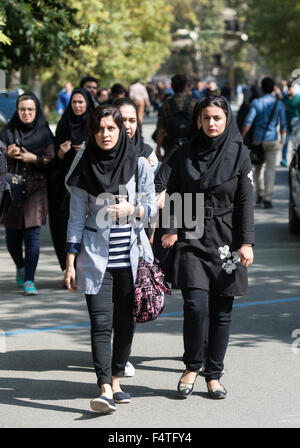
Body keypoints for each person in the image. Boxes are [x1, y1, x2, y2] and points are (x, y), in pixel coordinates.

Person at [64, 105, 157, 413]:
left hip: (131, 258)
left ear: (121, 131)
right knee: (101, 323)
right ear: (92, 131)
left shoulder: (139, 163)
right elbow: (76, 217)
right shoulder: (84, 162)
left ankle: (117, 380)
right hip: (95, 257)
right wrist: (70, 261)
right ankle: (104, 388)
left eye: (111, 128)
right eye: (99, 129)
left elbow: (152, 207)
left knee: (125, 323)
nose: (105, 134)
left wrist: (133, 210)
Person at [161, 95, 254, 400]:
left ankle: (213, 375)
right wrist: (173, 230)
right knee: (195, 306)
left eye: (217, 118)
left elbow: (244, 202)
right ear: (198, 120)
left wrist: (247, 242)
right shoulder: (184, 152)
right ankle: (192, 366)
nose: (211, 124)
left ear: (227, 120)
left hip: (227, 239)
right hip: (192, 233)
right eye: (206, 118)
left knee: (222, 310)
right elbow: (174, 193)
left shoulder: (239, 153)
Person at [0, 92, 55, 295]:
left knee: (32, 237)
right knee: (12, 238)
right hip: (12, 191)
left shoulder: (44, 133)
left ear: (36, 110)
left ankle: (30, 280)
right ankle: (20, 265)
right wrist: (6, 155)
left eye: (30, 109)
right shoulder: (7, 133)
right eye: (22, 109)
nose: (26, 113)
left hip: (36, 191)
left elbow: (52, 160)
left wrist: (35, 159)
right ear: (17, 111)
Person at [48, 87, 94, 273]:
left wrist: (88, 148)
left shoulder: (94, 122)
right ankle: (68, 268)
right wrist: (61, 152)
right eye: (74, 102)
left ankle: (85, 267)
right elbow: (54, 155)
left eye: (80, 102)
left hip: (89, 181)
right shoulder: (64, 122)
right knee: (63, 224)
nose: (77, 106)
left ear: (87, 103)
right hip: (64, 183)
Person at [242, 76, 287, 209]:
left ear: (262, 88)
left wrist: (241, 138)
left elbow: (248, 122)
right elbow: (283, 125)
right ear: (273, 88)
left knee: (258, 168)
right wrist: (283, 141)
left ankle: (260, 195)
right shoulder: (279, 104)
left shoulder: (256, 102)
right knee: (271, 170)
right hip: (272, 139)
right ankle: (268, 198)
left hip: (258, 140)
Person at [155, 74, 197, 161]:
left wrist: (158, 148)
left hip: (171, 148)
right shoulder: (194, 103)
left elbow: (161, 130)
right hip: (192, 148)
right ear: (186, 86)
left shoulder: (166, 105)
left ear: (172, 87)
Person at [113, 97, 158, 173]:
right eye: (122, 120)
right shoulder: (99, 152)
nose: (127, 126)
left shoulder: (146, 153)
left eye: (132, 121)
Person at [281, 81, 300, 167]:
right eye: (288, 89)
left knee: (295, 144)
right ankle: (284, 159)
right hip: (287, 124)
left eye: (290, 88)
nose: (289, 91)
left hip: (296, 125)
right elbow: (282, 109)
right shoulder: (285, 98)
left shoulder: (298, 98)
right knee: (285, 142)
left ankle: (295, 161)